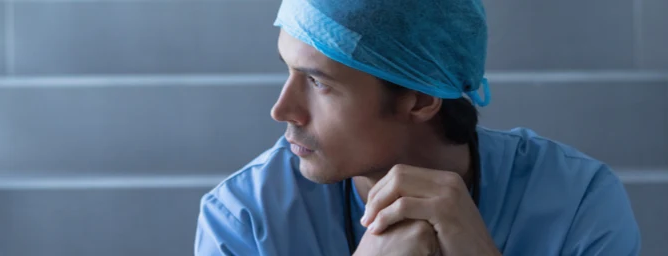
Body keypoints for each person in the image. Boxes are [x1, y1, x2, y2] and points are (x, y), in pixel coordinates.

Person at [194, 0, 641, 255]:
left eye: (317, 81)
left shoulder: (577, 203)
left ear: (422, 99)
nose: (282, 109)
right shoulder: (244, 219)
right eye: (286, 71)